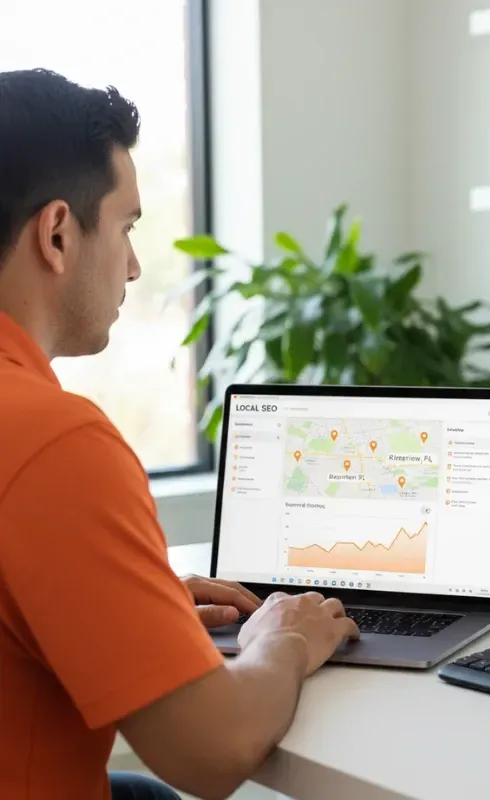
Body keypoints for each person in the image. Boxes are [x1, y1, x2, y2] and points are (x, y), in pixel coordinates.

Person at [0, 68, 359, 800]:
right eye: (127, 227)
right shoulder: (55, 442)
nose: (133, 266)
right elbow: (212, 752)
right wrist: (281, 639)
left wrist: (137, 605)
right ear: (58, 233)